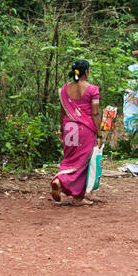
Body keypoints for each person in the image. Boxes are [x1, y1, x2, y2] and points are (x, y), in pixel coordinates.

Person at [51, 58, 100, 207]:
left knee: (70, 159)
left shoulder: (64, 89)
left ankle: (60, 180)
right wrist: (99, 133)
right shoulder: (92, 89)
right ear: (86, 72)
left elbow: (62, 112)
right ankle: (77, 197)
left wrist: (61, 128)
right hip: (85, 129)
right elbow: (95, 114)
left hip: (69, 127)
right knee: (83, 163)